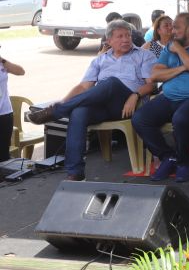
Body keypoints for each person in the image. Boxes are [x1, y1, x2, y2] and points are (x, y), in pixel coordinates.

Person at [28, 20, 156, 181]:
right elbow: (83, 87)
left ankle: (56, 112)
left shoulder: (144, 55)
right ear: (108, 41)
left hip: (128, 104)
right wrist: (64, 101)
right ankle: (75, 172)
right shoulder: (99, 60)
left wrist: (135, 95)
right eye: (120, 36)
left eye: (128, 36)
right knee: (78, 112)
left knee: (111, 82)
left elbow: (151, 85)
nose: (126, 39)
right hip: (102, 106)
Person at [132, 13, 189, 183]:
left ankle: (183, 161)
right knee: (140, 118)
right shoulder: (170, 47)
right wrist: (184, 67)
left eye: (176, 27)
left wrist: (181, 51)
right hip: (170, 96)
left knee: (181, 118)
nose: (172, 31)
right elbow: (155, 74)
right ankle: (168, 156)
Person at [0, 51, 25, 163]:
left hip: (5, 113)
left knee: (4, 153)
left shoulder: (2, 64)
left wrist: (2, 60)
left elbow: (21, 71)